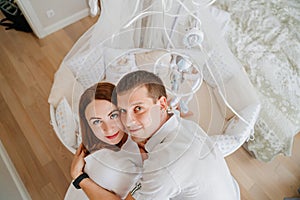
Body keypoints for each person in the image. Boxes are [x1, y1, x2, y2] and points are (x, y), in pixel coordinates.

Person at [72, 70, 240, 200]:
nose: (128, 122)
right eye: (122, 111)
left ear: (161, 104)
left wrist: (80, 179)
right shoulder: (184, 125)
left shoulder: (164, 167)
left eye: (138, 108)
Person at [64, 82, 142, 200]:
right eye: (97, 122)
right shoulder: (97, 155)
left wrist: (79, 178)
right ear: (88, 126)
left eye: (113, 115)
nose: (108, 128)